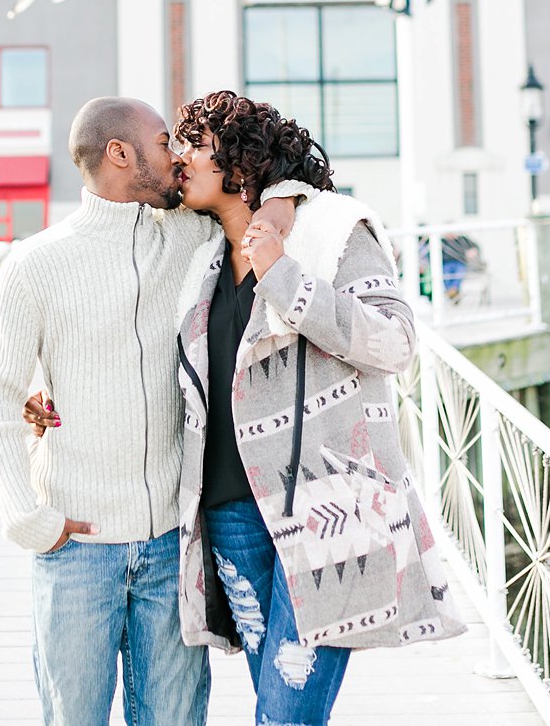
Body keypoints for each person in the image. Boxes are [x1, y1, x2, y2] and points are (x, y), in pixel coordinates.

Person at [0, 97, 299, 726]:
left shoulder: (191, 234)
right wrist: (27, 519)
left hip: (170, 545)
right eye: (161, 142)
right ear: (119, 154)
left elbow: (281, 170)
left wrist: (282, 203)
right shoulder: (34, 264)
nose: (177, 155)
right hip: (76, 549)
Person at [166, 91, 462, 723]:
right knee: (281, 710)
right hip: (230, 514)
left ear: (241, 161)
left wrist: (284, 275)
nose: (179, 156)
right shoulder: (202, 257)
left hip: (330, 510)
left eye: (194, 142)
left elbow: (395, 341)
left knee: (283, 714)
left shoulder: (333, 231)